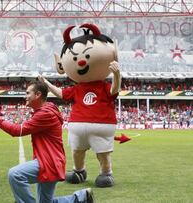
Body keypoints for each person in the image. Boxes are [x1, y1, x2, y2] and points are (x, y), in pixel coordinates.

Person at [39, 23, 120, 188]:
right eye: (75, 58)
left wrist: (117, 74)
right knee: (77, 152)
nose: (81, 61)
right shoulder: (76, 88)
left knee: (102, 154)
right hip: (78, 125)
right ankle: (79, 171)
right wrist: (46, 84)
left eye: (86, 57)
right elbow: (61, 93)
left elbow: (114, 90)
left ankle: (106, 173)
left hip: (101, 123)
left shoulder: (104, 86)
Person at [0, 81, 94, 203]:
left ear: (37, 94)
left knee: (15, 174)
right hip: (52, 160)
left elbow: (17, 131)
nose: (24, 96)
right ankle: (81, 197)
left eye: (27, 93)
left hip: (49, 161)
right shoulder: (46, 110)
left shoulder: (45, 113)